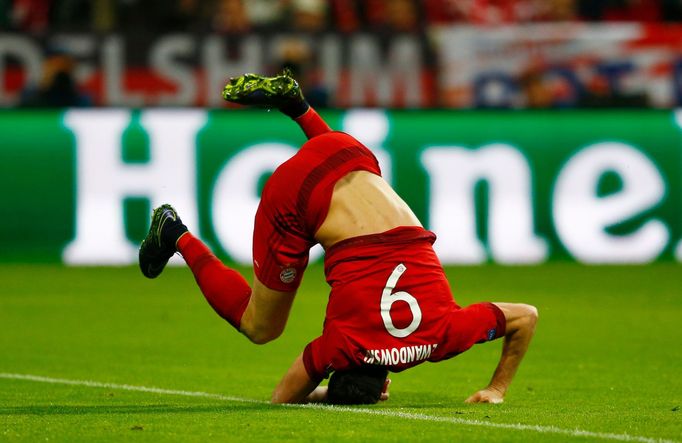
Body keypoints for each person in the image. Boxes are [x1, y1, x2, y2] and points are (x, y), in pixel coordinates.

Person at [139, 71, 538, 405]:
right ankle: (174, 232)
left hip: (347, 151)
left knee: (344, 192)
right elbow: (282, 398)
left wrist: (496, 388)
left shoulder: (445, 334)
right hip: (298, 196)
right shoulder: (343, 346)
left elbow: (526, 316)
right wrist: (321, 392)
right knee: (259, 327)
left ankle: (299, 107)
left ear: (382, 381)